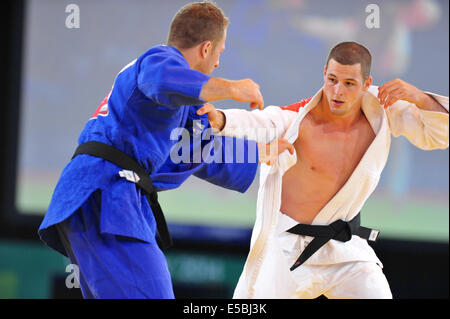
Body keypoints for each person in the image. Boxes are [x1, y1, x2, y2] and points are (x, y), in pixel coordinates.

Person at [38, 1, 293, 299]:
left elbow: (199, 151)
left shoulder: (179, 101)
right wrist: (231, 88)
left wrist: (259, 153)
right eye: (220, 53)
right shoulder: (158, 61)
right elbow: (163, 80)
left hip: (114, 200)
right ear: (206, 48)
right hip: (105, 194)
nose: (218, 63)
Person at [198, 41, 449, 298]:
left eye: (349, 83)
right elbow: (262, 121)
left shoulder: (383, 110)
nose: (337, 91)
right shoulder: (300, 119)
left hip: (344, 249)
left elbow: (439, 135)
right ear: (324, 75)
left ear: (366, 83)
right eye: (332, 80)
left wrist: (420, 98)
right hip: (287, 249)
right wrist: (220, 119)